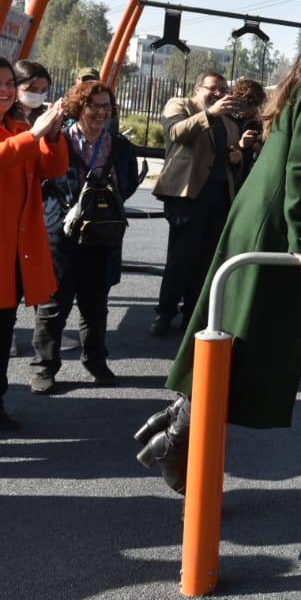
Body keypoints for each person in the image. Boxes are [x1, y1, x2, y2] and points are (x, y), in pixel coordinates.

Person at [135, 5, 301, 492]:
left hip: (263, 221)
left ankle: (175, 433)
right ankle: (176, 440)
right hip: (275, 229)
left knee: (233, 340)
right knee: (242, 344)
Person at [29, 80, 140, 394]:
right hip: (61, 232)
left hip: (102, 232)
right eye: (94, 106)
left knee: (95, 304)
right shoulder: (58, 139)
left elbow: (129, 184)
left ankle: (95, 361)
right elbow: (42, 181)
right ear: (78, 108)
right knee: (53, 305)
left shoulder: (119, 146)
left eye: (107, 106)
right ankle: (44, 368)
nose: (101, 113)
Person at [150, 72, 247, 336]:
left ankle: (192, 314)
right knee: (181, 258)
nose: (219, 93)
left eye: (223, 89)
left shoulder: (229, 123)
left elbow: (229, 157)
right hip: (186, 196)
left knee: (206, 261)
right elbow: (176, 132)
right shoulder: (179, 105)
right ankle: (164, 313)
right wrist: (211, 113)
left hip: (218, 198)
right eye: (213, 89)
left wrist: (237, 156)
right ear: (197, 88)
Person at [0, 57, 68, 430]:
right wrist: (33, 135)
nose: (8, 90)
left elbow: (53, 169)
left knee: (3, 334)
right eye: (1, 84)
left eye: (10, 83)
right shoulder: (22, 131)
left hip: (12, 254)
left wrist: (53, 134)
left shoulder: (17, 126)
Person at [227, 77, 266, 185]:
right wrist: (239, 145)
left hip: (250, 178)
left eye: (256, 104)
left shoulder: (260, 124)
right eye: (248, 103)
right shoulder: (225, 118)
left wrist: (259, 150)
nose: (252, 108)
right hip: (228, 179)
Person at [11, 59, 51, 124]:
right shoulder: (4, 115)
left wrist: (54, 130)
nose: (38, 94)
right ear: (15, 86)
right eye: (32, 89)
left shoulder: (44, 115)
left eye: (43, 90)